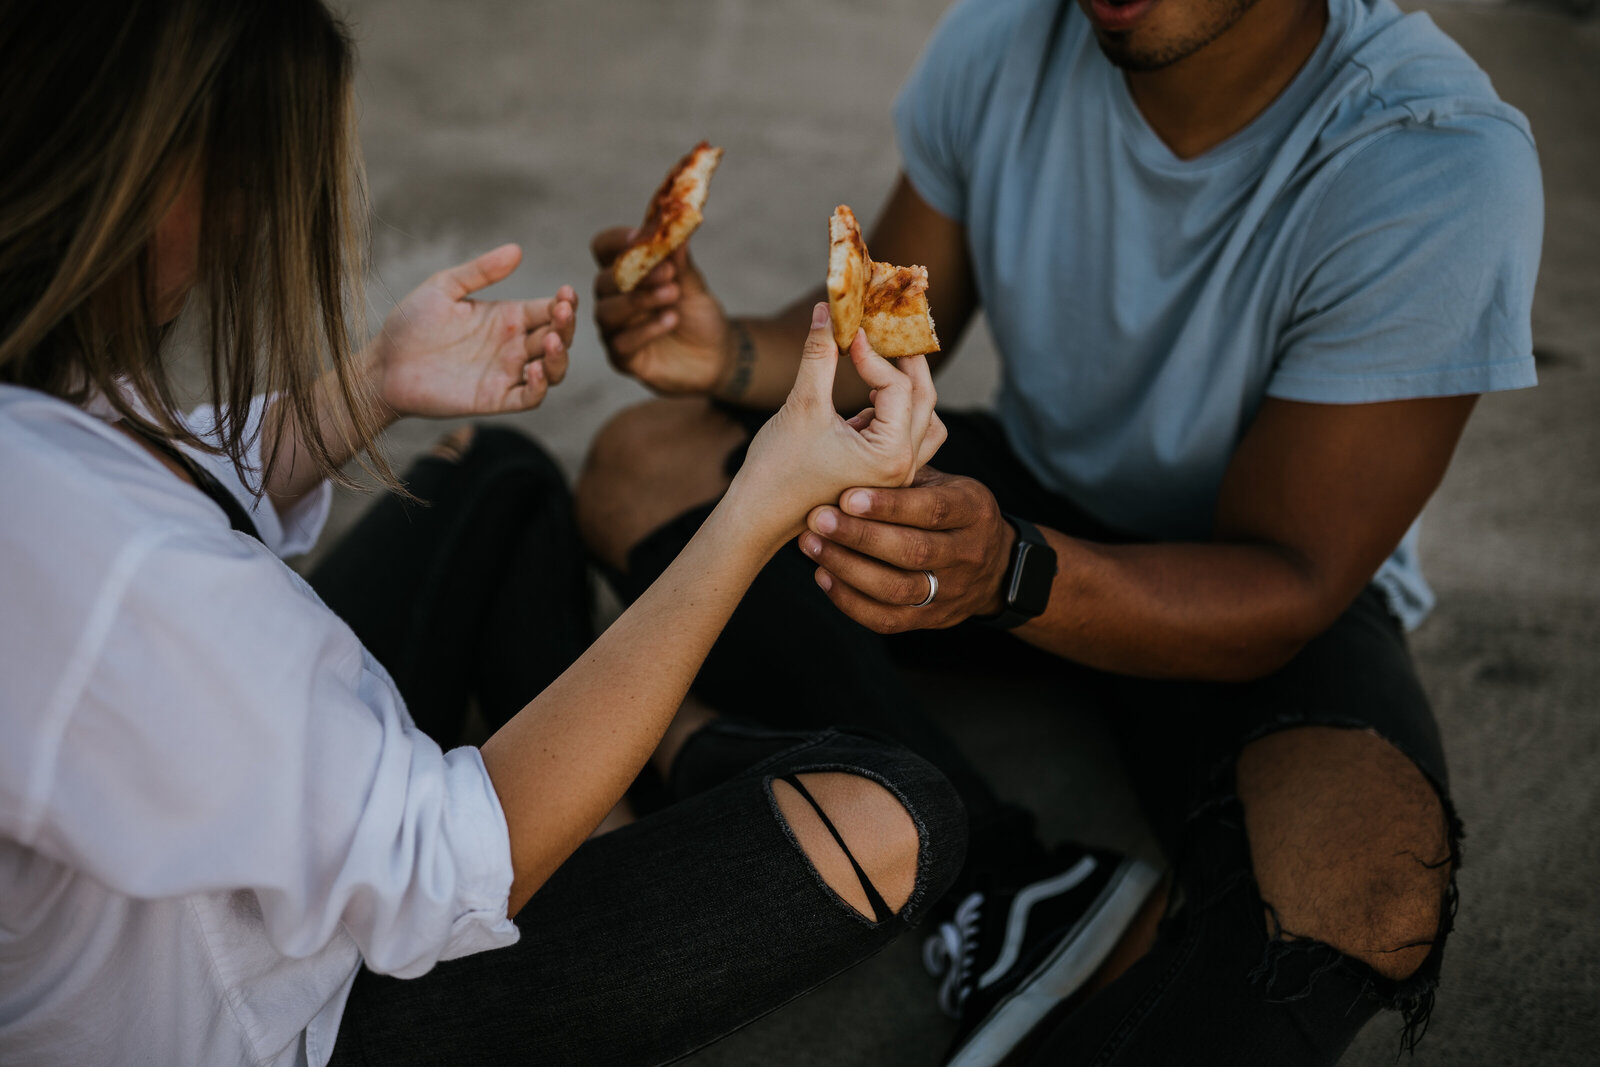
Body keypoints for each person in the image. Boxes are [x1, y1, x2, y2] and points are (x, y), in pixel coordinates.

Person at [0, 2, 967, 1065]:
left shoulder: (41, 437)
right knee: (896, 817)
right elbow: (453, 864)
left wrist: (371, 386)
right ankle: (658, 766)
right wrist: (753, 511)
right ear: (128, 171)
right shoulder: (114, 570)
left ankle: (634, 771)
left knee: (498, 480)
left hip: (222, 874)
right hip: (286, 1021)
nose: (247, 223)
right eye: (237, 171)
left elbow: (146, 481)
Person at [579, 0, 1543, 1061]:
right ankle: (1001, 885)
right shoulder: (1007, 36)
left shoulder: (1429, 154)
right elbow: (886, 343)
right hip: (1026, 502)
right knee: (645, 459)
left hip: (1240, 588)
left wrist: (1012, 573)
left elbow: (1291, 579)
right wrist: (721, 354)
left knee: (1377, 887)